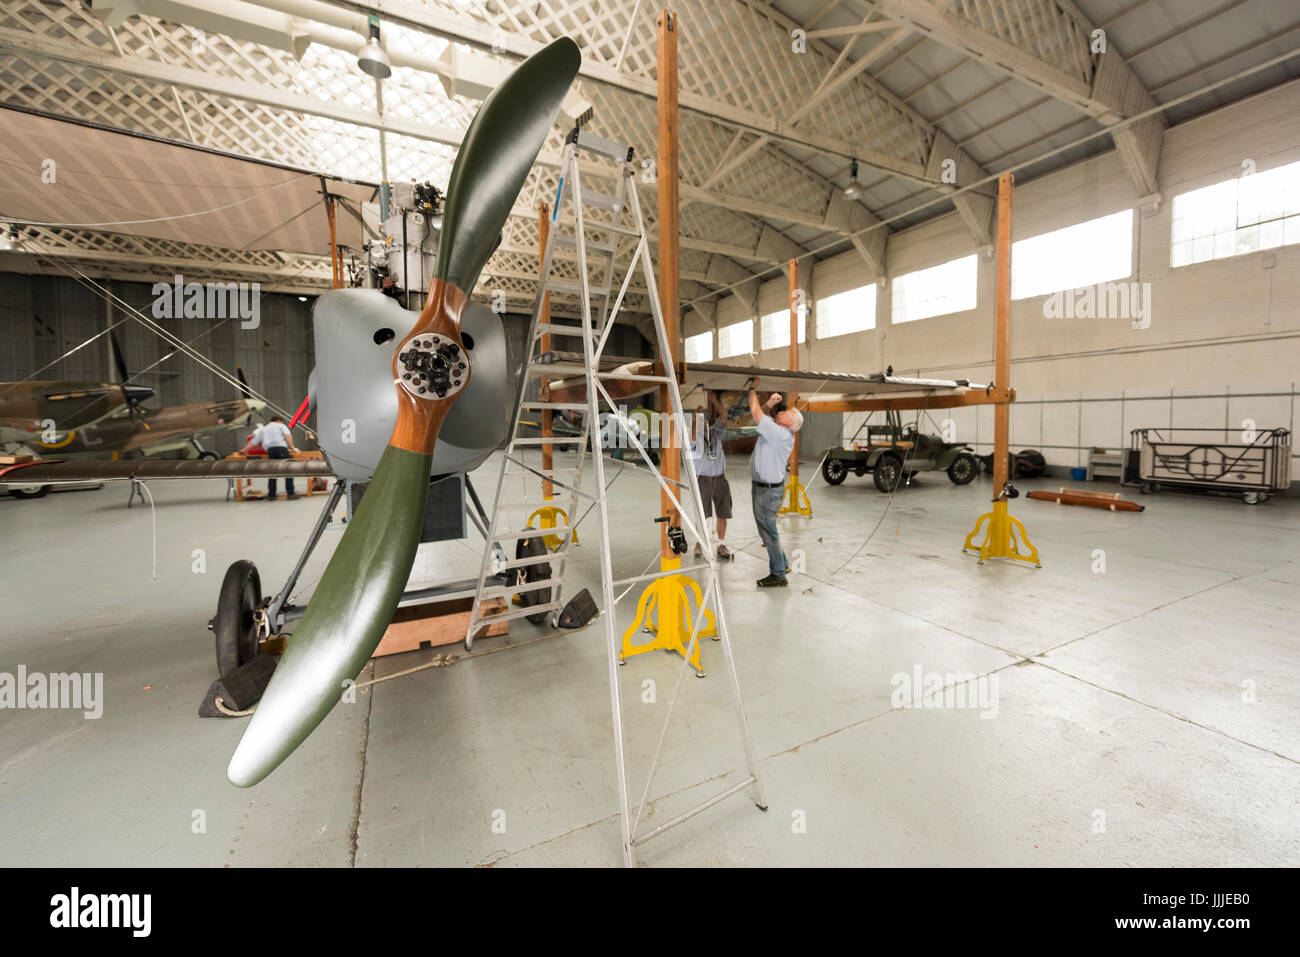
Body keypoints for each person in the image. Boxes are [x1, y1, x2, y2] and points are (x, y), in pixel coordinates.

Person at [748, 385, 802, 588]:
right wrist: (769, 403)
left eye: (784, 412)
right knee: (768, 531)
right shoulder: (777, 430)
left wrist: (751, 388)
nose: (780, 411)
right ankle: (783, 564)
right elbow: (760, 412)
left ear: (789, 422)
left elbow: (754, 412)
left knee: (769, 532)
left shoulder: (779, 434)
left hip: (767, 491)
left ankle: (778, 574)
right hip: (766, 489)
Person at [690, 390, 733, 561]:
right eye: (700, 421)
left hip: (720, 479)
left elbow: (724, 416)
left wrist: (713, 400)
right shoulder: (693, 436)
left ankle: (721, 544)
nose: (704, 423)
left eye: (704, 420)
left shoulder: (715, 432)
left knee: (723, 513)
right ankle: (700, 543)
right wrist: (695, 418)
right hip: (703, 481)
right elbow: (693, 435)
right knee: (702, 514)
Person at [246, 415, 297, 500]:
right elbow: (288, 436)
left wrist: (244, 450)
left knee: (272, 473)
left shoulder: (264, 429)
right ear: (278, 420)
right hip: (281, 450)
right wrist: (292, 448)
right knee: (288, 471)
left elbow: (253, 442)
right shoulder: (281, 425)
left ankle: (272, 495)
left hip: (270, 451)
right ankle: (291, 494)